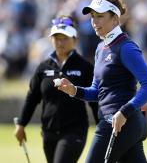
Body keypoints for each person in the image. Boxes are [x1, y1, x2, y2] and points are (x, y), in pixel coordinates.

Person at [56, 0, 147, 163]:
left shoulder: (126, 48)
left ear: (115, 19)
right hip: (121, 123)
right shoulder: (100, 48)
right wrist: (74, 90)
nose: (95, 22)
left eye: (100, 16)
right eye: (92, 17)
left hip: (120, 122)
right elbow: (97, 91)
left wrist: (124, 112)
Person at [14, 15, 98, 163]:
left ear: (75, 39)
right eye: (57, 38)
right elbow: (32, 97)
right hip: (49, 131)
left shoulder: (84, 67)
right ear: (51, 39)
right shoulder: (43, 67)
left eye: (65, 38)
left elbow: (94, 100)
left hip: (75, 131)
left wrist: (102, 125)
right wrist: (21, 124)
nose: (60, 42)